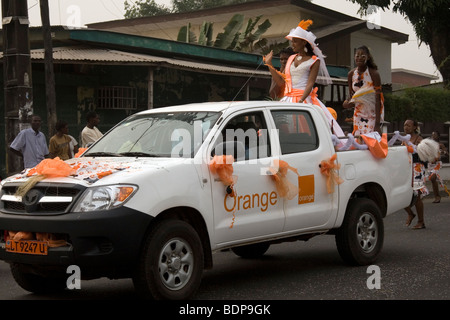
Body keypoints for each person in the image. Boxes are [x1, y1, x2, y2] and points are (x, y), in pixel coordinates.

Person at [263, 20, 345, 137]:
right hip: (288, 99)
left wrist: (301, 102)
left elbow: (310, 84)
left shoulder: (314, 61)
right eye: (292, 42)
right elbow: (281, 82)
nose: (292, 44)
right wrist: (269, 64)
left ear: (303, 42)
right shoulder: (291, 58)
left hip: (304, 99)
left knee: (308, 131)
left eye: (295, 41)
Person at [343, 45, 384, 136]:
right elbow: (351, 96)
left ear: (368, 57)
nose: (359, 58)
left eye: (363, 56)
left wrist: (377, 124)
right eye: (357, 56)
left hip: (372, 113)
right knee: (358, 137)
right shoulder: (351, 74)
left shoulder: (374, 74)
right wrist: (347, 102)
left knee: (370, 138)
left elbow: (378, 99)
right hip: (358, 112)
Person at [403, 119, 426, 229]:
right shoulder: (404, 138)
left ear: (414, 127)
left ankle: (421, 221)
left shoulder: (419, 139)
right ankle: (410, 213)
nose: (406, 127)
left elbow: (421, 154)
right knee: (402, 194)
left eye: (408, 125)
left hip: (417, 168)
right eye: (404, 125)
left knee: (417, 196)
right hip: (407, 168)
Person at [428, 131, 448, 203]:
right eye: (432, 135)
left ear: (438, 137)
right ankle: (437, 196)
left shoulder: (441, 145)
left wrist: (443, 152)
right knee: (432, 180)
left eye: (435, 135)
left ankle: (437, 197)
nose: (433, 136)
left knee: (433, 178)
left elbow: (447, 154)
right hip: (430, 165)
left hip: (437, 164)